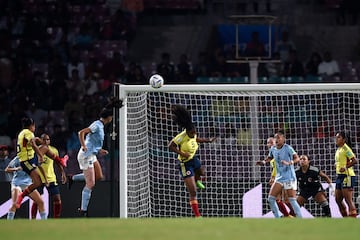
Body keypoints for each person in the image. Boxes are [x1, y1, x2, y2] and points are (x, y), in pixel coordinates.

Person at [76, 97, 124, 217]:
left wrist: (99, 150)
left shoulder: (101, 126)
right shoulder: (97, 125)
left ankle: (72, 178)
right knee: (91, 183)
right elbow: (81, 132)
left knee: (99, 176)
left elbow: (92, 141)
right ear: (109, 118)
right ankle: (83, 210)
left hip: (92, 154)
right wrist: (83, 146)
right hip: (86, 155)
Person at [168, 105, 216, 217]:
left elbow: (196, 139)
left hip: (194, 159)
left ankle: (198, 178)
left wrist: (208, 140)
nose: (194, 134)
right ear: (187, 132)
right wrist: (182, 153)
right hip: (185, 164)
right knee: (193, 191)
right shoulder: (181, 136)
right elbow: (170, 146)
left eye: (195, 132)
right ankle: (197, 216)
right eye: (192, 133)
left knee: (202, 173)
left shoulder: (192, 132)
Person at [15, 117, 68, 209]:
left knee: (37, 182)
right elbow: (33, 144)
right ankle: (60, 160)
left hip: (28, 160)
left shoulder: (22, 133)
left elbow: (34, 141)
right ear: (32, 126)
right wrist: (40, 155)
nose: (34, 128)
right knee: (45, 148)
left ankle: (21, 196)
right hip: (27, 160)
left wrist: (38, 141)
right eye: (34, 126)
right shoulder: (28, 133)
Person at [260, 129, 302, 218]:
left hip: (289, 177)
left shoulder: (288, 148)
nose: (276, 139)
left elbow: (297, 158)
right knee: (271, 199)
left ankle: (300, 219)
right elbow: (270, 157)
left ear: (283, 139)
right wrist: (263, 162)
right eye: (275, 138)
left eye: (278, 137)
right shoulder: (273, 148)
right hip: (279, 178)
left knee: (292, 200)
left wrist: (289, 163)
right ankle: (278, 219)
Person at [31, 133, 66, 219]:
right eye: (44, 139)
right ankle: (32, 219)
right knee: (36, 200)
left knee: (57, 199)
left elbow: (58, 162)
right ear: (41, 140)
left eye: (48, 139)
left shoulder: (54, 150)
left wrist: (62, 173)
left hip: (51, 178)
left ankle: (56, 219)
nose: (46, 141)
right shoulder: (36, 150)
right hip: (39, 179)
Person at [256, 137, 293, 217]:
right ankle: (289, 215)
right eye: (267, 142)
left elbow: (278, 168)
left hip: (284, 178)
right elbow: (275, 168)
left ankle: (290, 215)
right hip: (282, 177)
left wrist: (273, 177)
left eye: (271, 142)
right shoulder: (273, 154)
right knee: (279, 199)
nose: (269, 144)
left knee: (283, 199)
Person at [334, 131, 358, 217]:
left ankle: (352, 221)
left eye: (338, 137)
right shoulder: (338, 149)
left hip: (348, 176)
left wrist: (345, 167)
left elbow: (354, 160)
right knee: (337, 200)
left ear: (344, 139)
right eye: (336, 137)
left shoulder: (346, 149)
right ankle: (346, 219)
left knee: (348, 200)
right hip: (340, 176)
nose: (336, 139)